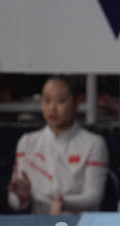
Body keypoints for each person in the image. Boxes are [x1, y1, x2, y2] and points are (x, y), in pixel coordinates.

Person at [6, 76, 108, 215]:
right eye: (47, 101)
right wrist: (22, 195)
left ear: (77, 102)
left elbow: (94, 197)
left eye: (60, 101)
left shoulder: (94, 143)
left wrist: (64, 202)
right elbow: (14, 201)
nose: (52, 108)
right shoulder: (27, 142)